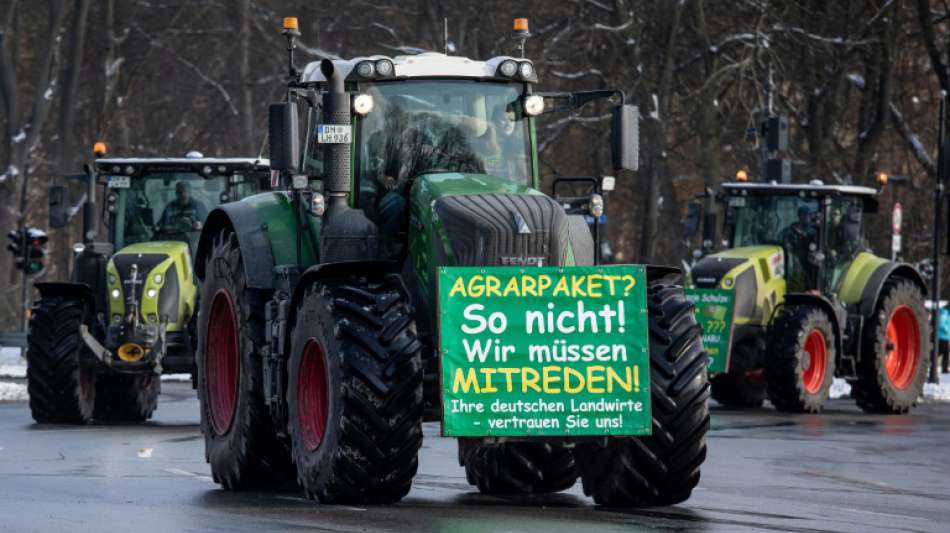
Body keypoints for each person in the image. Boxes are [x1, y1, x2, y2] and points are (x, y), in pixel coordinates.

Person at [939, 305, 950, 374]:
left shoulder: (947, 313)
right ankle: (944, 368)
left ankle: (945, 368)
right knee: (945, 351)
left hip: (945, 336)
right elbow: (941, 323)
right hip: (942, 336)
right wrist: (946, 329)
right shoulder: (944, 313)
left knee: (944, 352)